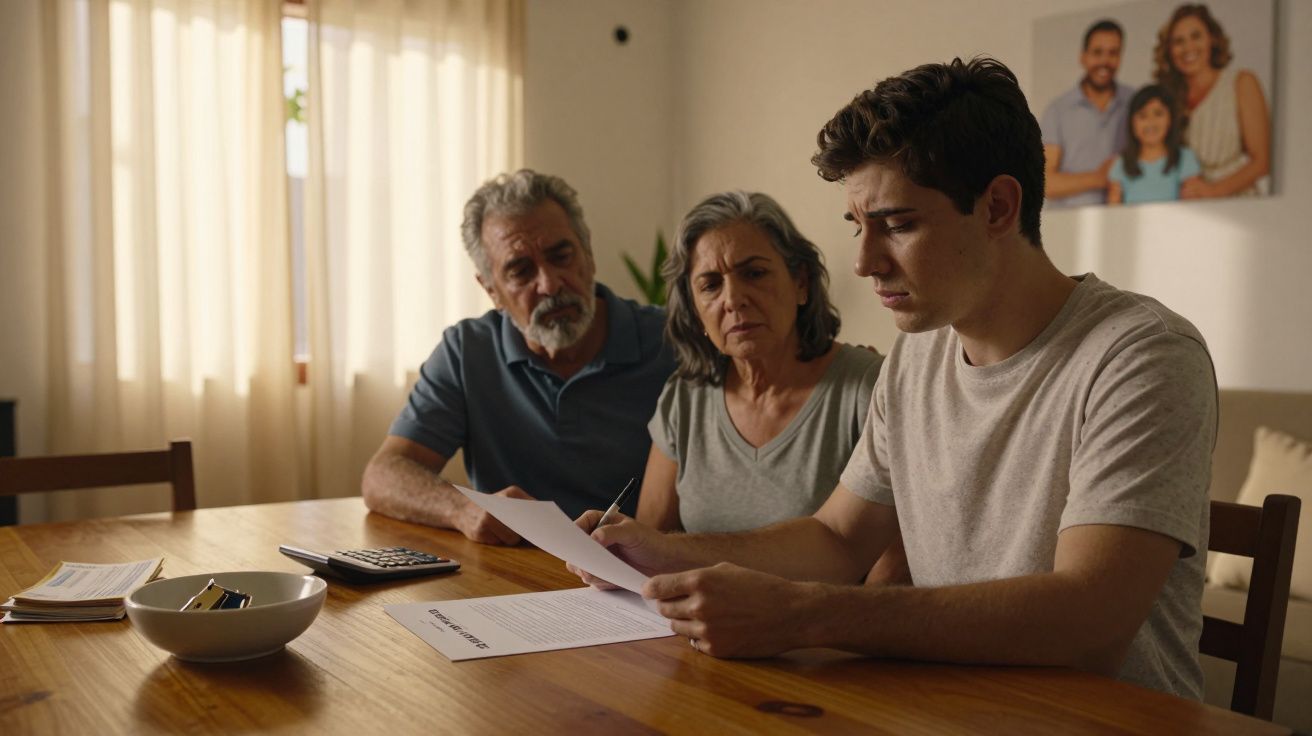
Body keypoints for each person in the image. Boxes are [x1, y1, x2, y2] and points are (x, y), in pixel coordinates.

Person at [572, 57, 1217, 700]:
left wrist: (802, 614)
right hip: (943, 708)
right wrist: (658, 552)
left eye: (899, 225)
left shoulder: (1141, 355)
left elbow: (1089, 622)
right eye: (858, 227)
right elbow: (837, 538)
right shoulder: (918, 355)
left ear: (997, 206)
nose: (863, 262)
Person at [363, 169, 676, 543]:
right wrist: (463, 508)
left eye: (561, 256)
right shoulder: (468, 351)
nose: (549, 284)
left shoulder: (672, 343)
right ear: (491, 289)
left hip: (631, 576)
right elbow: (383, 474)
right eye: (520, 270)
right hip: (511, 578)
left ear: (588, 253)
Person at [637, 191, 882, 533]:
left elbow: (892, 565)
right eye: (710, 285)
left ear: (801, 283)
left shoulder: (866, 387)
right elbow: (648, 543)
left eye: (754, 273)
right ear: (694, 311)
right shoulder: (685, 397)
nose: (734, 299)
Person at [1153, 3, 1270, 198]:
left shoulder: (1241, 83)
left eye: (1196, 36)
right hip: (1189, 212)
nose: (1188, 47)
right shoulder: (1167, 99)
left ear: (1212, 39)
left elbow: (1262, 162)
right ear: (1169, 51)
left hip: (1240, 205)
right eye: (1178, 41)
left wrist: (1213, 191)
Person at [1041, 19, 1136, 207]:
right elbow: (1045, 182)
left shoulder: (1136, 104)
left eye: (1113, 53)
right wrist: (1098, 178)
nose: (1104, 61)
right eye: (1097, 52)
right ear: (1083, 57)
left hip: (1127, 220)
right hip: (1069, 224)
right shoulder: (1058, 110)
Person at [1108, 85, 1202, 205]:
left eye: (1158, 114)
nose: (1151, 122)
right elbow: (1113, 209)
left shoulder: (1185, 159)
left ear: (1170, 120)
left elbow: (1193, 206)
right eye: (1142, 116)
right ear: (1132, 125)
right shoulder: (1121, 164)